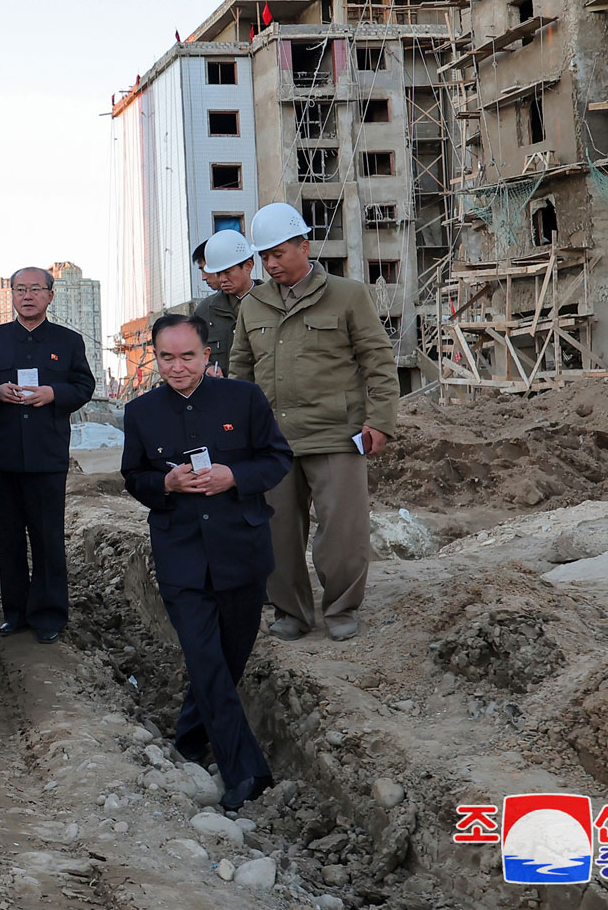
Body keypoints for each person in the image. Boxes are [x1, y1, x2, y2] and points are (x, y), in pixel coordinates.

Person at [121, 313, 293, 812]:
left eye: (188, 356)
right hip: (182, 555)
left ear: (207, 355)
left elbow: (276, 459)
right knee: (204, 658)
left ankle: (190, 737)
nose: (177, 367)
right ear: (155, 356)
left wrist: (232, 476)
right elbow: (134, 476)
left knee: (229, 659)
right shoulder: (141, 412)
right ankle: (245, 772)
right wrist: (165, 485)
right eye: (167, 357)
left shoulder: (244, 400)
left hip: (241, 550)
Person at [230, 202, 399, 643]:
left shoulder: (347, 295)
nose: (270, 264)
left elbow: (378, 361)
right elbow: (240, 372)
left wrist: (380, 420)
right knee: (276, 533)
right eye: (264, 257)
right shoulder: (253, 305)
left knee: (343, 533)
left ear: (304, 246)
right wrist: (237, 433)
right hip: (272, 442)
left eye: (279, 254)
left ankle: (342, 608)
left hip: (337, 435)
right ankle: (292, 612)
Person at [0, 265, 97, 643]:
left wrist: (54, 394)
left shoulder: (69, 341)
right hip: (2, 454)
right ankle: (15, 613)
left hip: (46, 455)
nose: (27, 296)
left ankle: (49, 616)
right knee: (8, 537)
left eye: (35, 290)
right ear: (11, 295)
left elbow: (84, 385)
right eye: (20, 290)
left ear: (50, 295)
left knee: (47, 537)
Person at [193, 230, 260, 370]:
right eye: (218, 273)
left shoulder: (273, 303)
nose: (222, 279)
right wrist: (207, 367)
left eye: (227, 272)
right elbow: (191, 349)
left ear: (248, 266)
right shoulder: (205, 310)